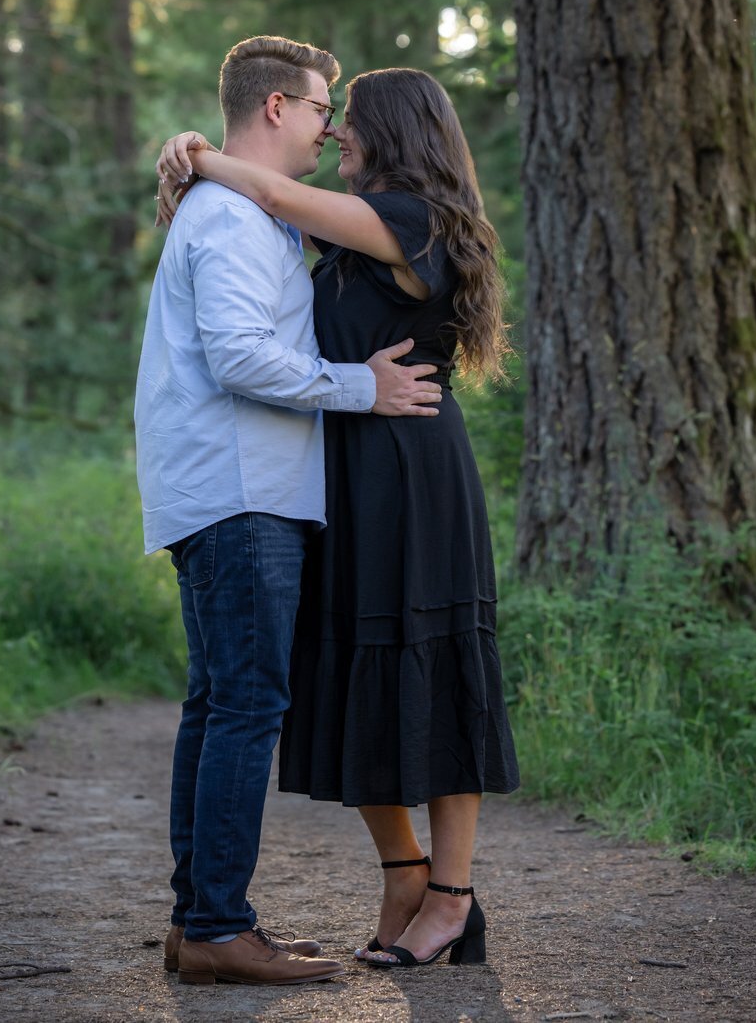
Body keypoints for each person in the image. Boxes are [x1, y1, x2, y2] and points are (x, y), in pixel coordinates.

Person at [156, 65, 520, 971]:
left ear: (392, 131)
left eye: (349, 119)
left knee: (434, 665)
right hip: (343, 465)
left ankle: (451, 897)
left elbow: (277, 192)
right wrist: (196, 160)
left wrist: (195, 152)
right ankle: (403, 874)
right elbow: (269, 217)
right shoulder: (347, 228)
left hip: (411, 464)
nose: (334, 133)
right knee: (358, 667)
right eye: (328, 114)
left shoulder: (413, 219)